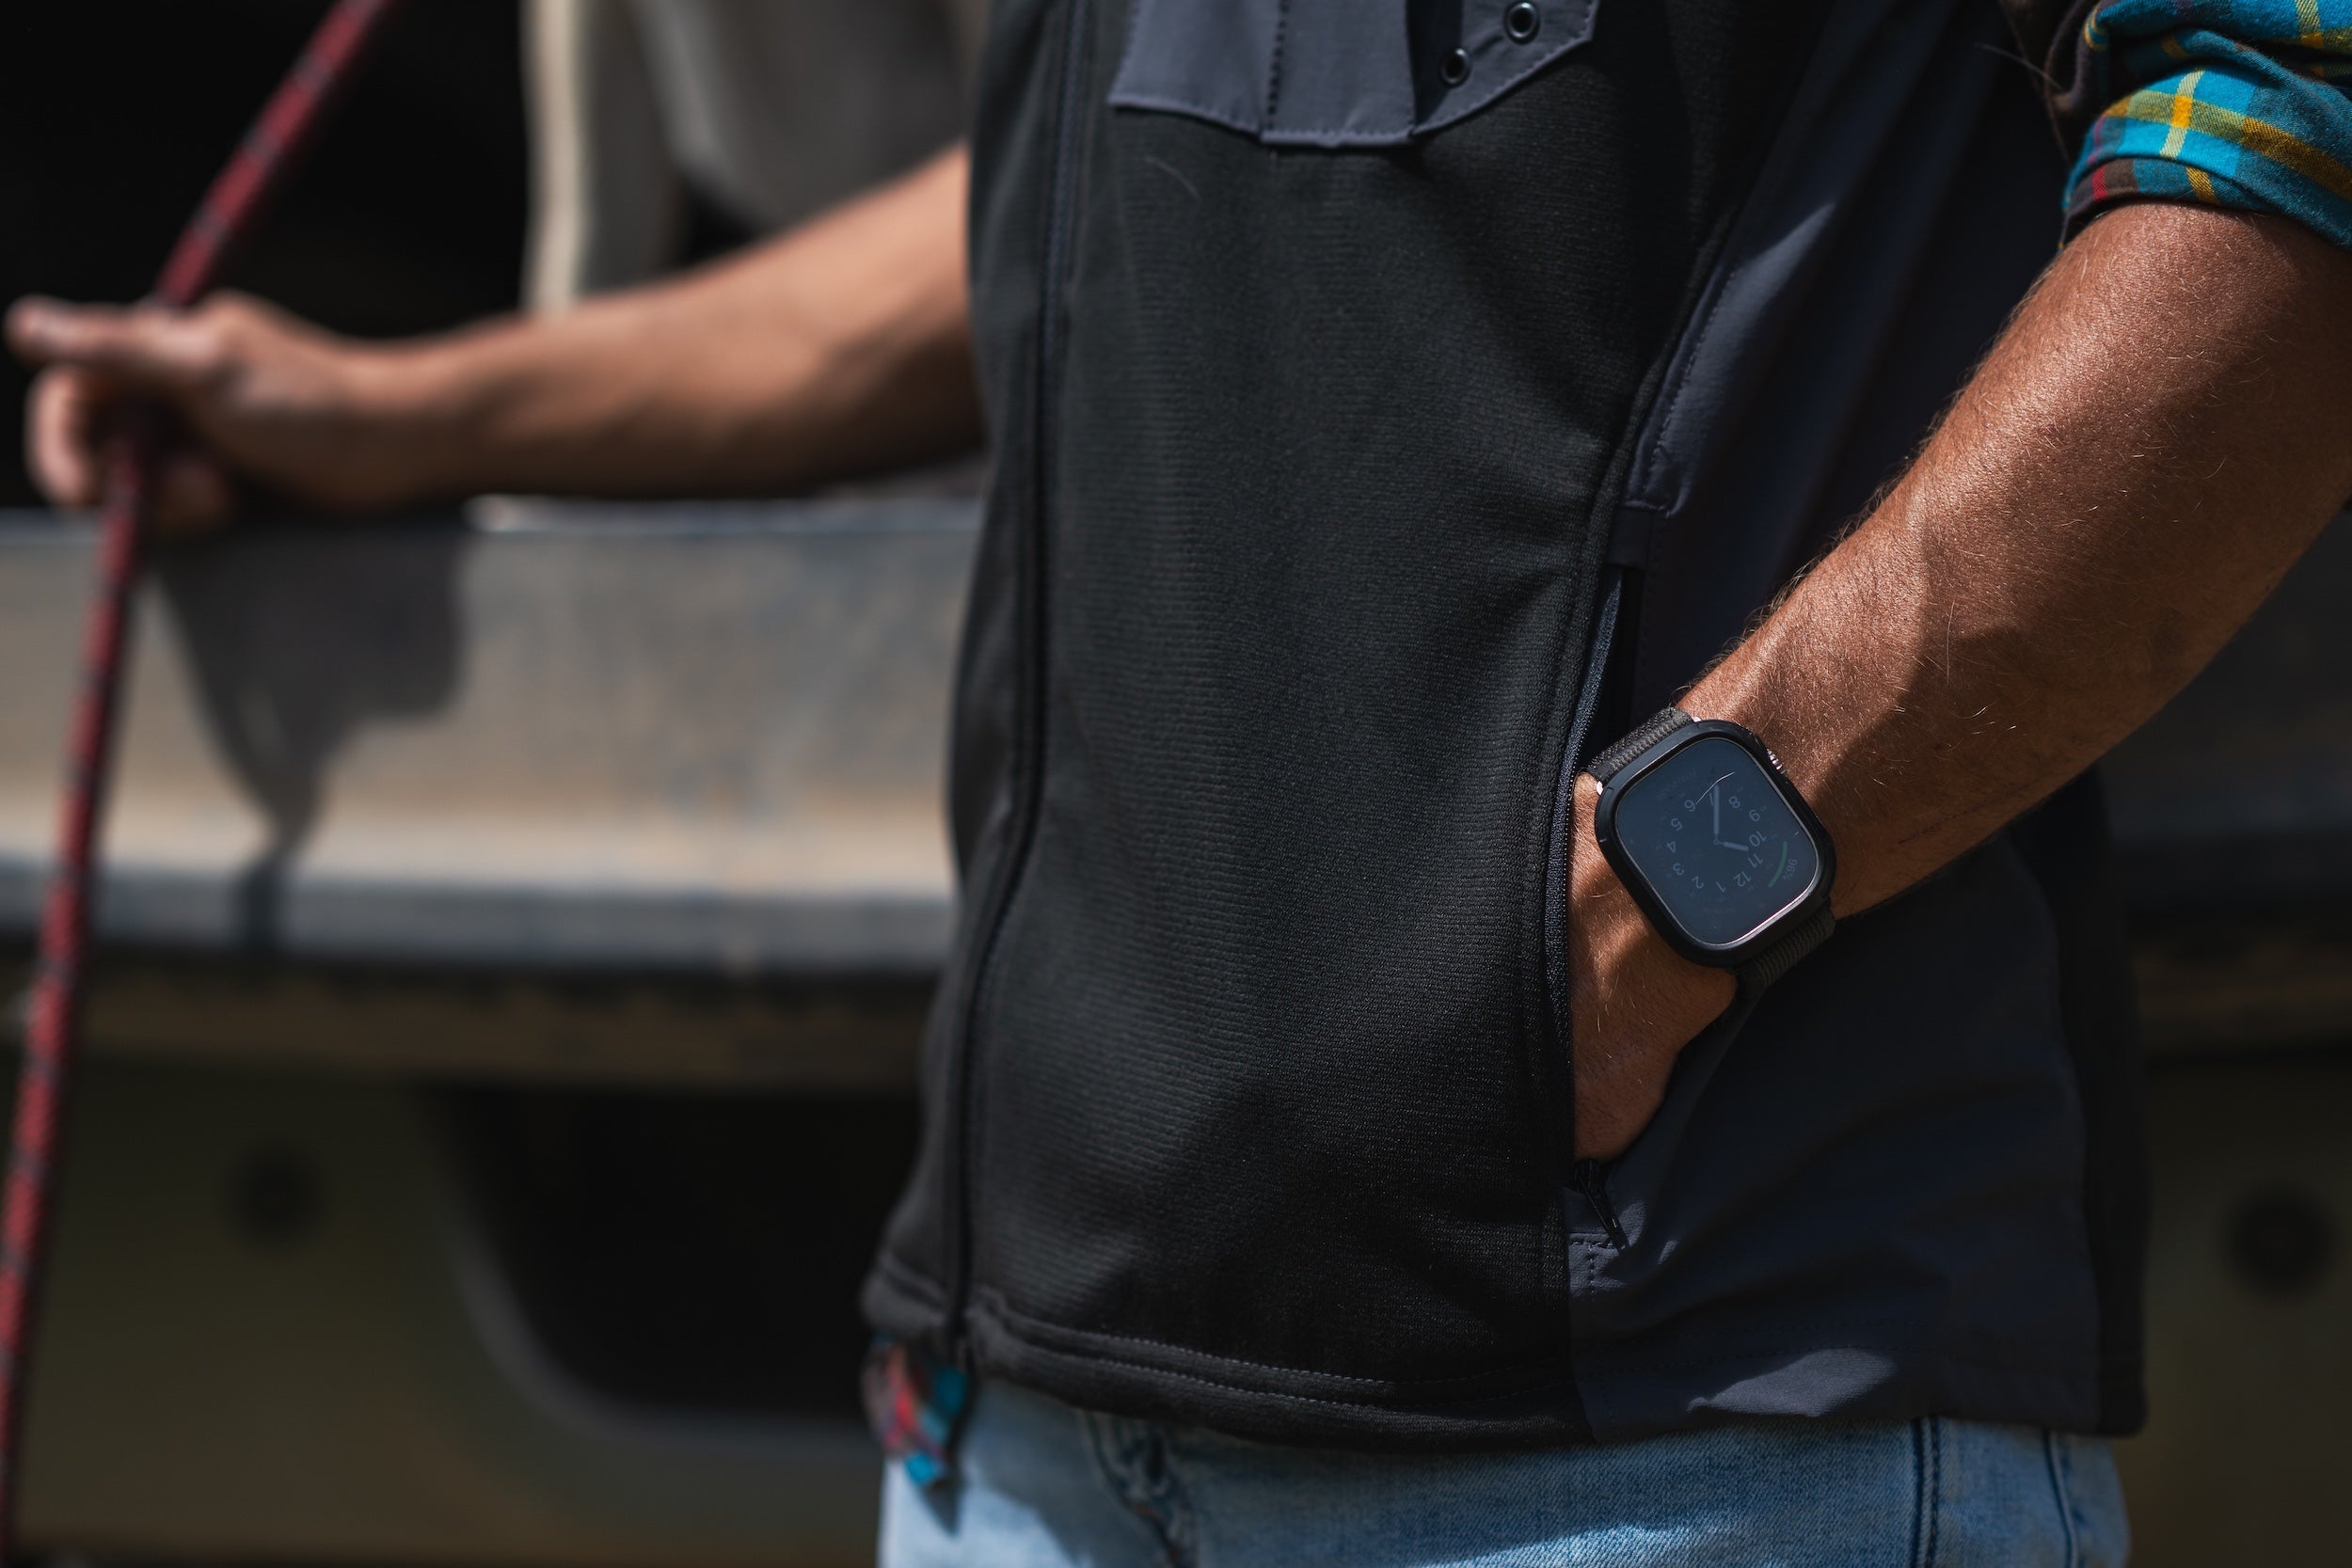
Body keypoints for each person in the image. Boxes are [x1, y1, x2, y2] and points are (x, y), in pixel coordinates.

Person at [14, 0, 2352, 1561]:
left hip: (1665, 1443)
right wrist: (414, 413)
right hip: (1021, 1444)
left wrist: (1678, 878)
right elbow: (1051, 204)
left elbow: (2291, 119)